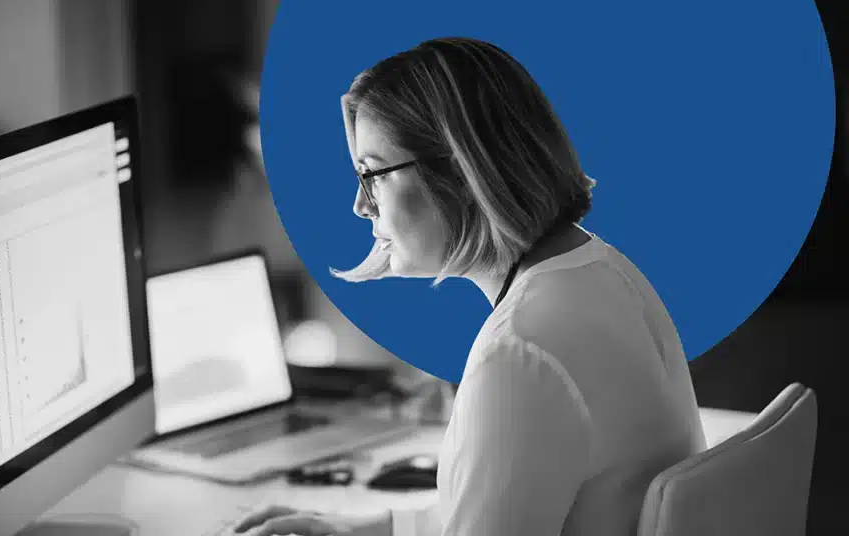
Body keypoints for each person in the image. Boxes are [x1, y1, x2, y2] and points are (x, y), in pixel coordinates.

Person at [232, 37, 706, 536]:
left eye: (372, 174)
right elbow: (519, 494)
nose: (361, 206)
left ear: (460, 172)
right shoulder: (605, 272)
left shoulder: (520, 352)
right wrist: (369, 530)